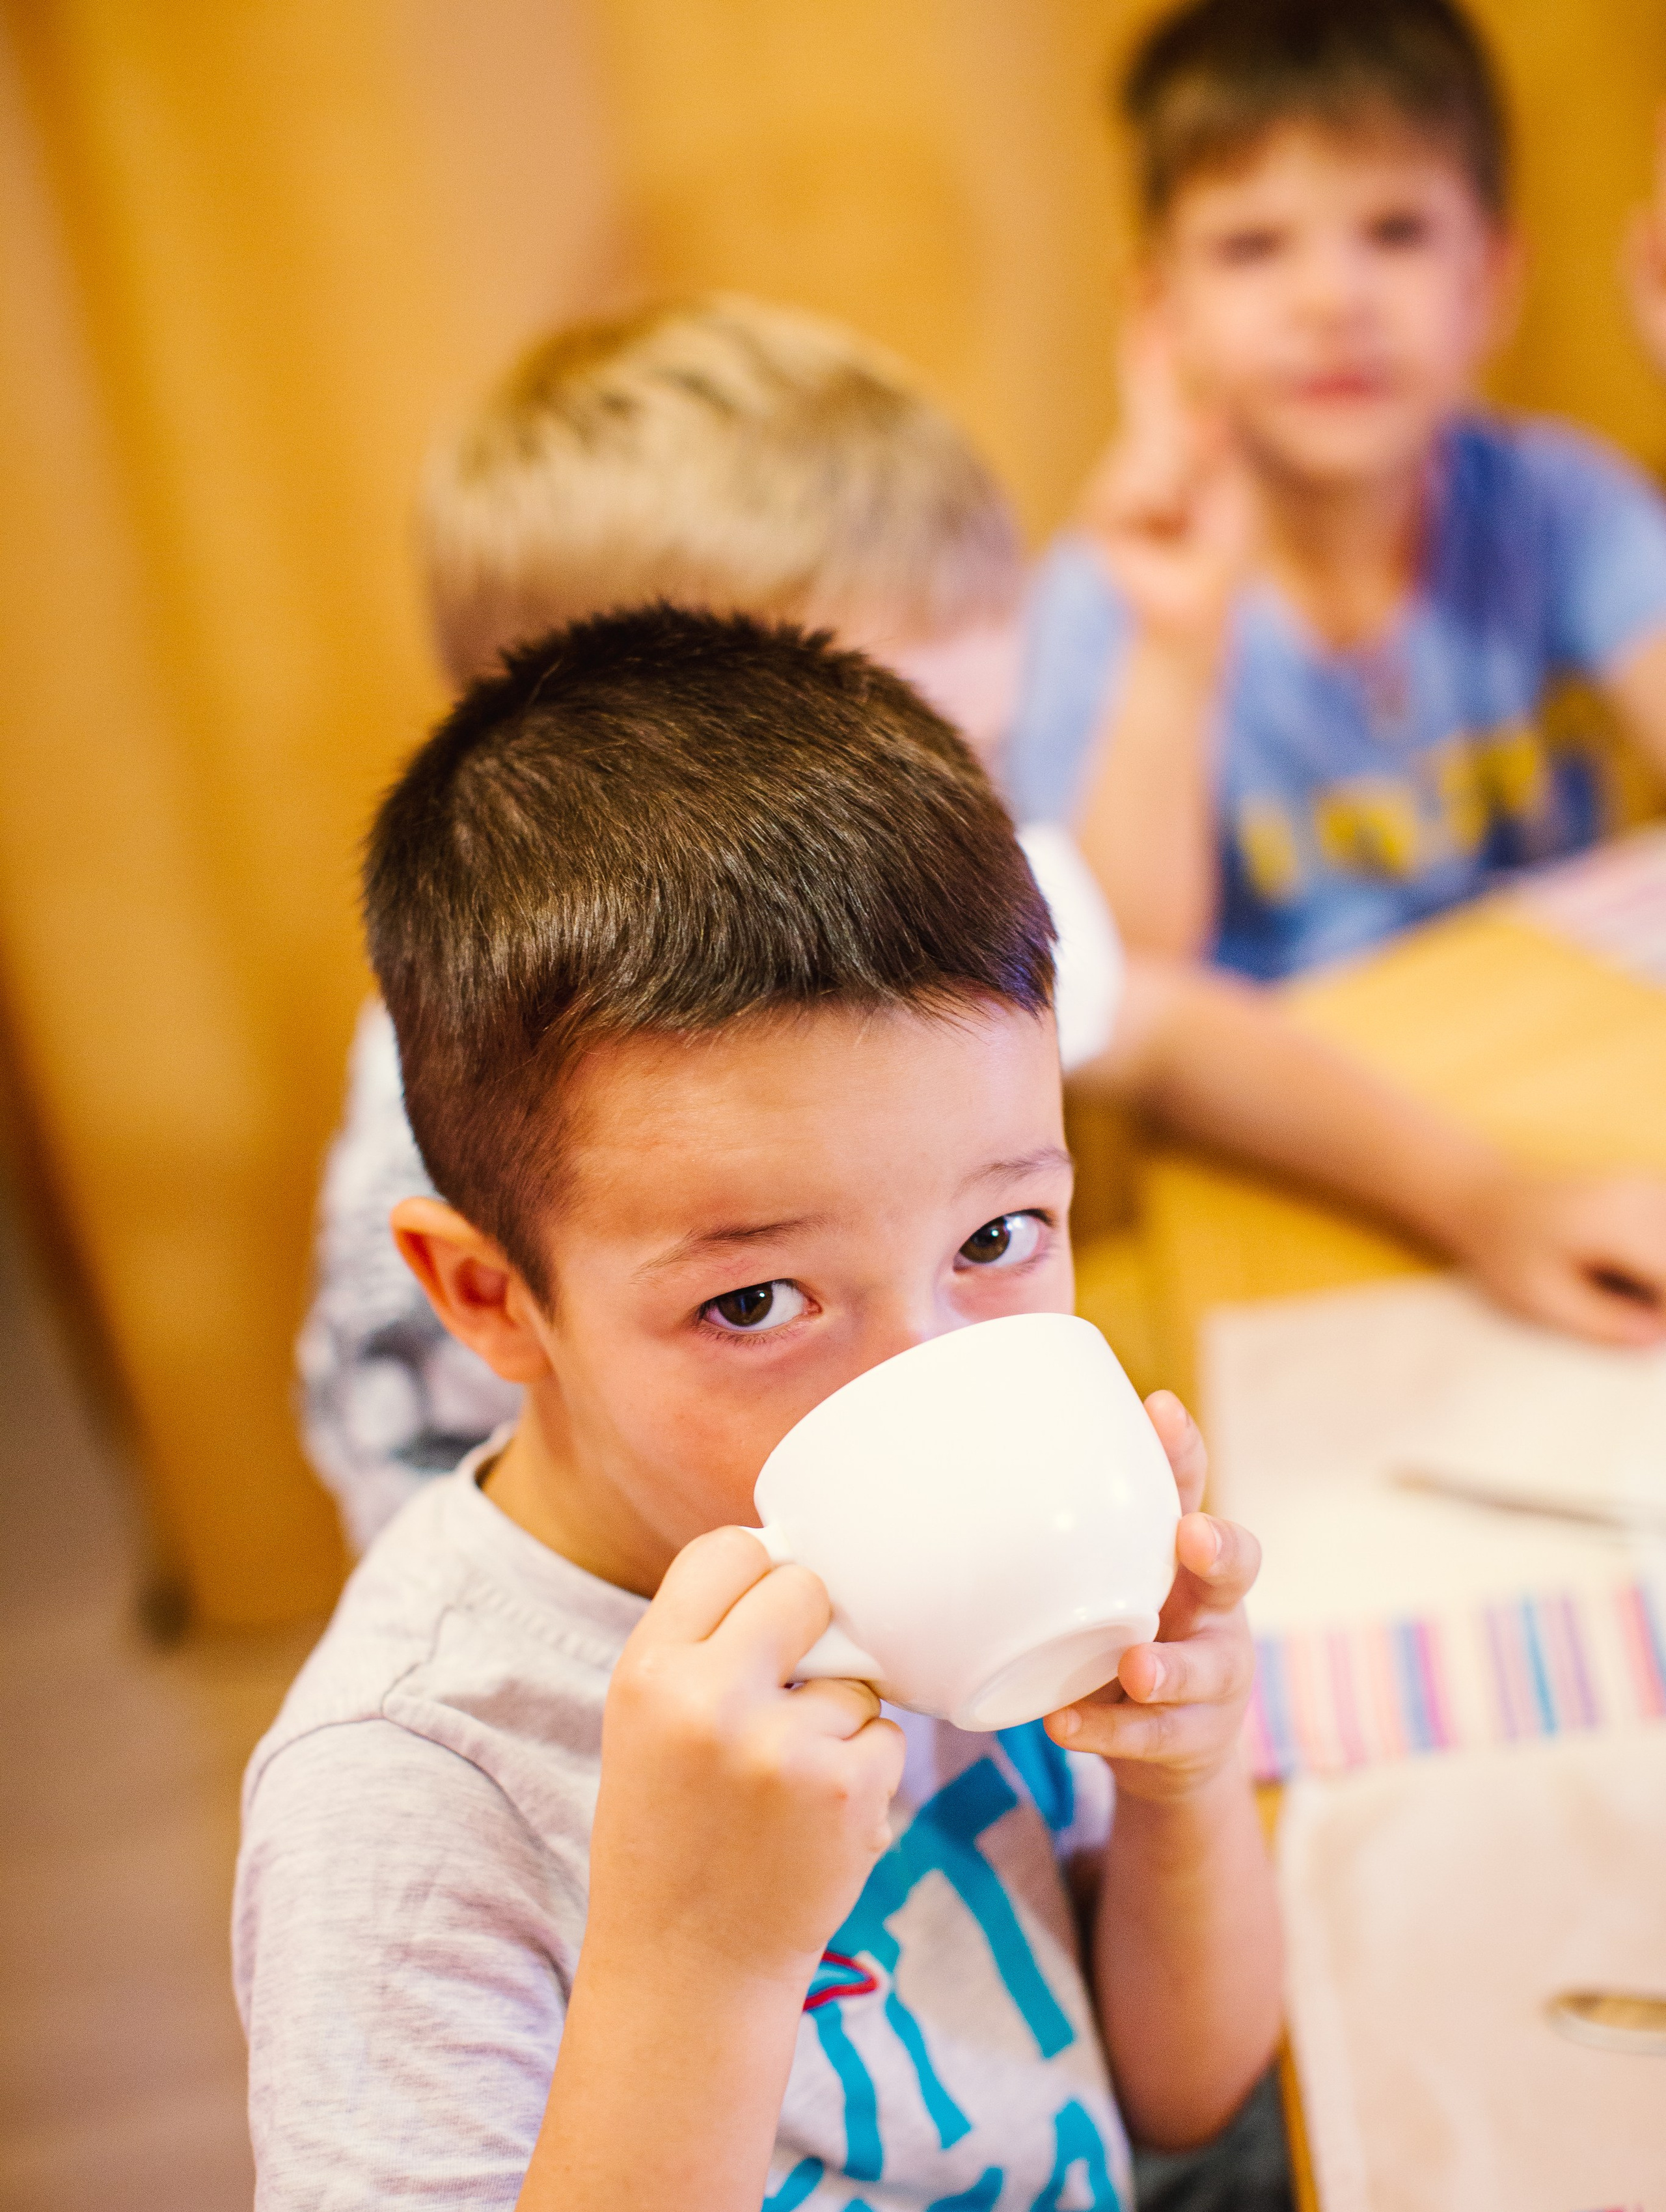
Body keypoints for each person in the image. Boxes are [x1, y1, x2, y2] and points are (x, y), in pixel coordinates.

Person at [238, 609, 1292, 2212]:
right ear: (490, 1296)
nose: (928, 1376)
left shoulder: (988, 1569)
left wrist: (1184, 1782)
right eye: (758, 1300)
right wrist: (697, 1966)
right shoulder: (412, 1787)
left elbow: (1182, 2101)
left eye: (999, 1240)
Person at [300, 296, 1666, 1555]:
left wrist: (1484, 1196)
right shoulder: (499, 1127)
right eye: (888, 769)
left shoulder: (908, 902)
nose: (969, 835)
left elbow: (1167, 1024)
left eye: (981, 760)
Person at [1008, 0, 1666, 982]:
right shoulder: (1105, 599)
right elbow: (1119, 987)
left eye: (1396, 232)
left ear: (1489, 281)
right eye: (1252, 247)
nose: (1332, 301)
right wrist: (1176, 650)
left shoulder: (1560, 506)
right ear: (1161, 309)